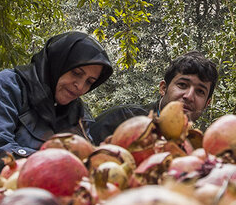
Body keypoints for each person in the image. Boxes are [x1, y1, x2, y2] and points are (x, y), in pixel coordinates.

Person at [0, 32, 113, 169]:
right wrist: (60, 166)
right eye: (76, 73)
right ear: (57, 63)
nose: (80, 86)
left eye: (90, 82)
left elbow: (87, 161)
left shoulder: (78, 114)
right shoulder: (3, 87)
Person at [88, 51, 219, 144]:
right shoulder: (120, 119)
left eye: (200, 91)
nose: (189, 96)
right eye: (182, 85)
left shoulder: (194, 147)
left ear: (207, 103)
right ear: (163, 88)